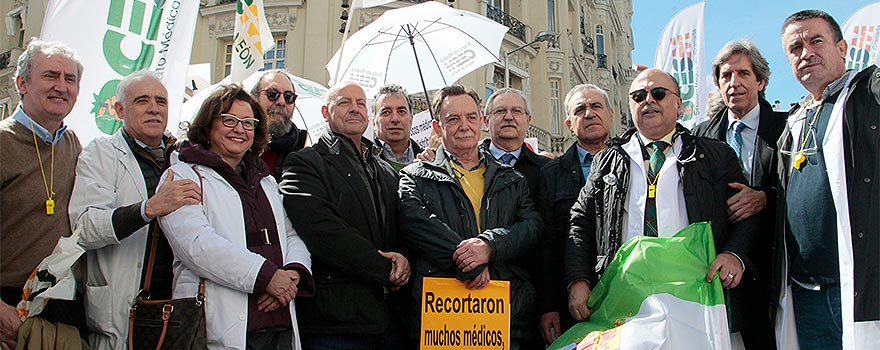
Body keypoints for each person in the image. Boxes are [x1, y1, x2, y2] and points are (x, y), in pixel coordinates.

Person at [565, 68, 758, 329]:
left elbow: (746, 214)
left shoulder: (714, 156)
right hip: (625, 297)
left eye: (658, 93)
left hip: (696, 295)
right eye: (638, 95)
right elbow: (580, 222)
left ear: (678, 104)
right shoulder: (608, 161)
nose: (648, 101)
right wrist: (578, 279)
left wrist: (734, 254)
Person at [158, 84, 314, 349]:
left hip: (279, 323)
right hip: (224, 324)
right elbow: (197, 245)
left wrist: (292, 275)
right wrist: (267, 277)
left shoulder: (264, 180)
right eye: (229, 120)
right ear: (208, 126)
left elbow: (289, 234)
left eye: (248, 122)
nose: (240, 129)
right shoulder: (184, 175)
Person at [398, 85, 543, 350]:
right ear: (438, 127)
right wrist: (470, 265)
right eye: (453, 119)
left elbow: (532, 227)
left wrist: (490, 245)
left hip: (504, 316)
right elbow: (415, 223)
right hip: (442, 321)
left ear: (481, 122)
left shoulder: (512, 178)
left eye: (471, 117)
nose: (464, 125)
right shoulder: (414, 175)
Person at [68, 71, 201, 349]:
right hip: (124, 310)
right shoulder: (100, 154)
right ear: (119, 109)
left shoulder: (183, 157)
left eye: (161, 101)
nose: (154, 108)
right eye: (142, 100)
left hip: (179, 309)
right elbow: (84, 227)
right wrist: (148, 208)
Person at [774, 10, 879, 349]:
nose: (806, 52)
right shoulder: (795, 121)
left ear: (843, 47)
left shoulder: (868, 96)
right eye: (795, 48)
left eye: (815, 41)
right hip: (805, 296)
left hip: (860, 290)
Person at [280, 81, 410, 349]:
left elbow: (402, 226)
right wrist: (386, 269)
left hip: (389, 322)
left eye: (361, 103)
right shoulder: (304, 163)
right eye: (345, 102)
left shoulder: (385, 170)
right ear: (326, 112)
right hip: (335, 324)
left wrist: (404, 258)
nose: (355, 109)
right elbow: (323, 231)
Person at [692, 39, 786, 349]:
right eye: (726, 76)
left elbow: (801, 189)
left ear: (760, 81)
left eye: (743, 74)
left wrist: (765, 197)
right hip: (717, 267)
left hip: (771, 264)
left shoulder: (786, 128)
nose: (734, 83)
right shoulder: (699, 135)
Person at [0, 39, 85, 349]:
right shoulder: (3, 141)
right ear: (22, 83)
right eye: (50, 76)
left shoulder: (73, 143)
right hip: (8, 308)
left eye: (70, 78)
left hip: (62, 310)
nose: (61, 86)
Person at [537, 84, 613, 344]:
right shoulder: (550, 174)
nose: (589, 113)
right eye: (580, 109)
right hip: (569, 300)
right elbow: (546, 244)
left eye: (596, 106)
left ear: (610, 114)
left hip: (622, 291)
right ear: (570, 123)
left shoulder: (633, 164)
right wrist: (549, 306)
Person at [251, 69, 308, 181]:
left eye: (289, 96)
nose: (281, 102)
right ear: (254, 99)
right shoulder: (236, 146)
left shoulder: (303, 155)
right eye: (272, 94)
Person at [373, 84, 423, 172]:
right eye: (386, 112)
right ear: (374, 123)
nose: (395, 119)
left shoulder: (428, 162)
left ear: (411, 120)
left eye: (401, 112)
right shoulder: (364, 164)